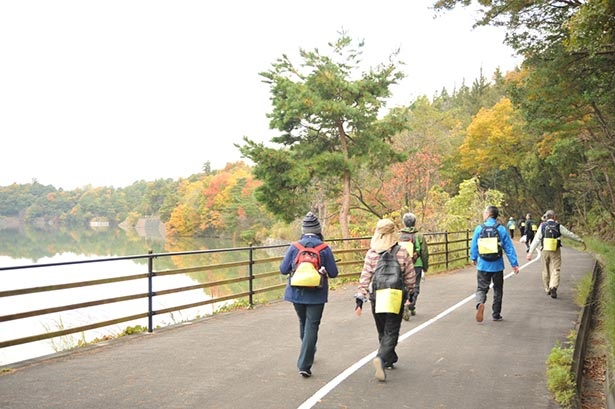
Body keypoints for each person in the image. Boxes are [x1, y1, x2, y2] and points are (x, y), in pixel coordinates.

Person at [354, 218, 416, 382]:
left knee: (383, 329)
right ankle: (382, 358)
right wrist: (411, 293)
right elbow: (410, 276)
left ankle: (389, 358)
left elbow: (365, 277)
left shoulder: (372, 253)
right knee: (392, 330)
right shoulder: (402, 251)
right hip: (395, 295)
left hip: (378, 295)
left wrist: (361, 297)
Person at [279, 212, 339, 378]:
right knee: (312, 325)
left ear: (303, 230)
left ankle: (308, 350)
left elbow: (283, 269)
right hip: (317, 293)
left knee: (303, 321)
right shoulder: (324, 248)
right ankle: (305, 364)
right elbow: (334, 273)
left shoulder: (294, 247)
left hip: (296, 292)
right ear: (318, 229)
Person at [470, 205, 520, 322]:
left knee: (481, 288)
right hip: (497, 265)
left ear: (488, 214)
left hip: (483, 264)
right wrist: (514, 264)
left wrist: (473, 257)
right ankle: (496, 314)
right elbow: (509, 247)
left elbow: (474, 245)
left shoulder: (479, 228)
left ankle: (480, 303)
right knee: (498, 289)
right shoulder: (501, 229)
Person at [526, 210, 584, 299]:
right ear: (554, 217)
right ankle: (553, 286)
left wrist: (530, 252)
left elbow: (536, 240)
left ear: (546, 217)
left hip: (544, 249)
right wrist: (580, 240)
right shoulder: (558, 226)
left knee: (545, 269)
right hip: (555, 250)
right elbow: (569, 234)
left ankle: (547, 288)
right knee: (556, 269)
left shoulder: (542, 226)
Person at [399, 212, 429, 319]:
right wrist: (425, 266)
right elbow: (424, 252)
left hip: (401, 264)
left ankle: (405, 304)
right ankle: (410, 304)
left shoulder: (399, 235)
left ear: (404, 223)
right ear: (414, 223)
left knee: (403, 285)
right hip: (416, 264)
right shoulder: (419, 236)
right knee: (415, 285)